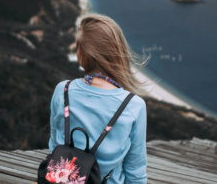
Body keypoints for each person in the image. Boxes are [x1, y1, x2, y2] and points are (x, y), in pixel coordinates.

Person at [48, 13, 148, 183]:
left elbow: (54, 147)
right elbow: (135, 170)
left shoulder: (63, 90)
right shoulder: (133, 105)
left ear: (83, 55)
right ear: (117, 51)